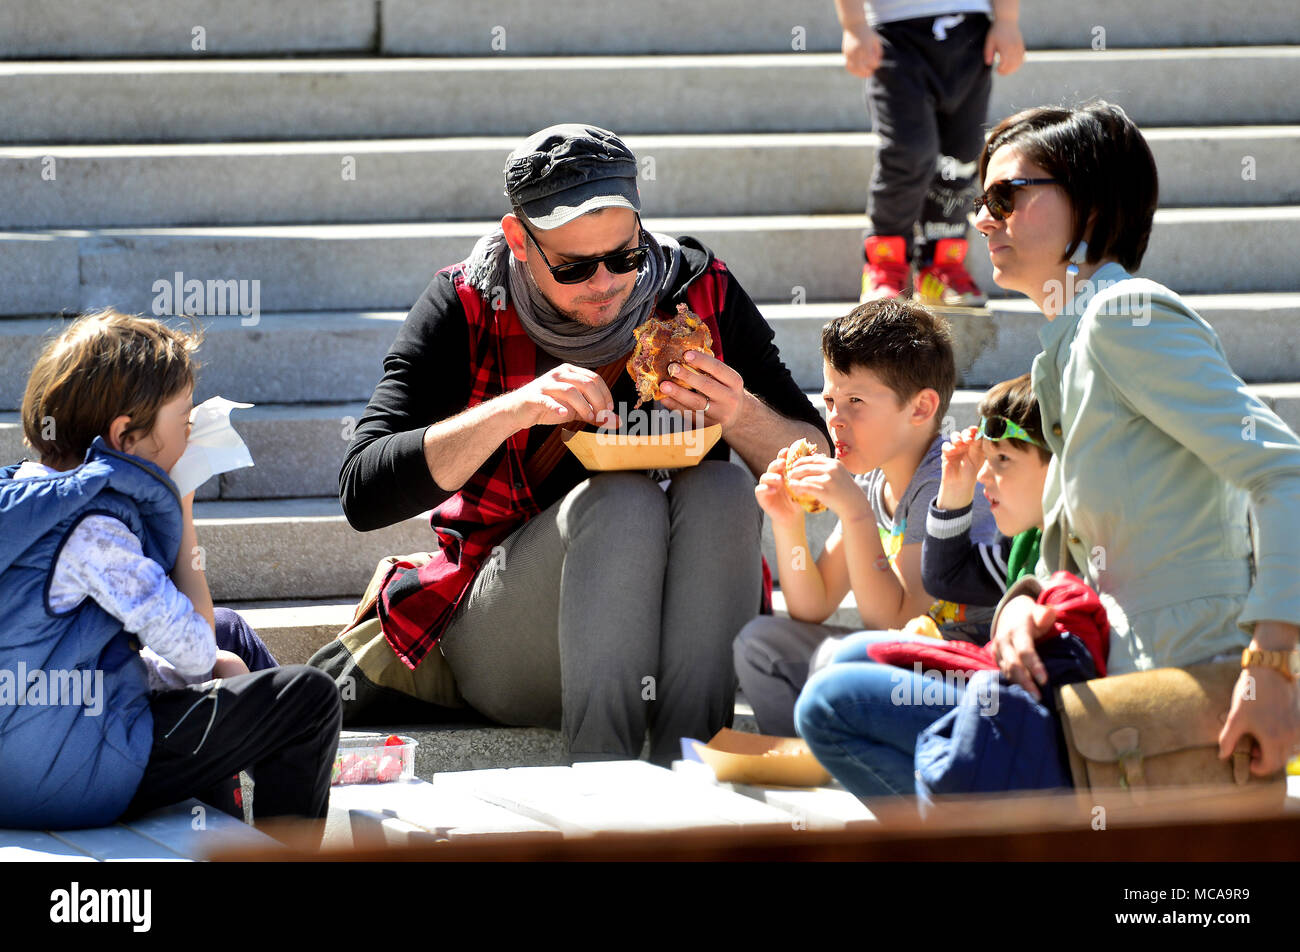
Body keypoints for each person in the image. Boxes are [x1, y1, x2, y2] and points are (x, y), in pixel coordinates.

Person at [800, 100, 1300, 799]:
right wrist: (1019, 603)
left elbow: (1283, 471)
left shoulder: (1127, 318)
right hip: (1084, 667)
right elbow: (1073, 555)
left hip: (1162, 692)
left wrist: (1270, 666)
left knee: (834, 702)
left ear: (1089, 208)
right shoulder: (1066, 348)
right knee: (843, 662)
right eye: (981, 201)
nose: (982, 220)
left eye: (1007, 196)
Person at [338, 124, 829, 766]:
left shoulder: (699, 290)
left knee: (724, 486)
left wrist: (738, 412)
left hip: (679, 634)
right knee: (619, 501)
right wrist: (510, 412)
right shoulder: (466, 302)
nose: (604, 282)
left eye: (623, 257)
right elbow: (362, 490)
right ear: (519, 240)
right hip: (513, 636)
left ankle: (692, 772)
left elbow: (816, 467)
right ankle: (606, 794)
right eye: (573, 267)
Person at [0, 309, 341, 835]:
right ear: (124, 436)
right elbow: (195, 648)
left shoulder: (31, 494)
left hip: (33, 745)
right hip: (65, 778)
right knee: (307, 700)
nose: (191, 434)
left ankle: (234, 811)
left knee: (230, 630)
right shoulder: (93, 529)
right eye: (183, 422)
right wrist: (181, 506)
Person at [733, 298, 996, 736]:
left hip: (960, 676)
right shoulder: (875, 479)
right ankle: (804, 765)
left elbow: (895, 623)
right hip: (900, 665)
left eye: (855, 400)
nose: (834, 419)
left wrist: (855, 514)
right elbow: (812, 606)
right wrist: (787, 522)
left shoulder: (945, 479)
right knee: (760, 644)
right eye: (830, 399)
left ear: (920, 408)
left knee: (845, 661)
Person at [794, 372, 1060, 795]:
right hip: (1006, 700)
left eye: (1003, 461)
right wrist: (955, 489)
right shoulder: (1024, 543)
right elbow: (947, 577)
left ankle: (946, 835)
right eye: (986, 460)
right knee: (842, 654)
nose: (985, 478)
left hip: (1035, 727)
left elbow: (934, 586)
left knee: (828, 694)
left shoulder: (1069, 542)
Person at [834, 0, 1024, 305]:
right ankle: (885, 263)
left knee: (960, 159)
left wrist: (1007, 19)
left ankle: (942, 263)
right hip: (895, 35)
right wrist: (855, 26)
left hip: (971, 32)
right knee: (908, 152)